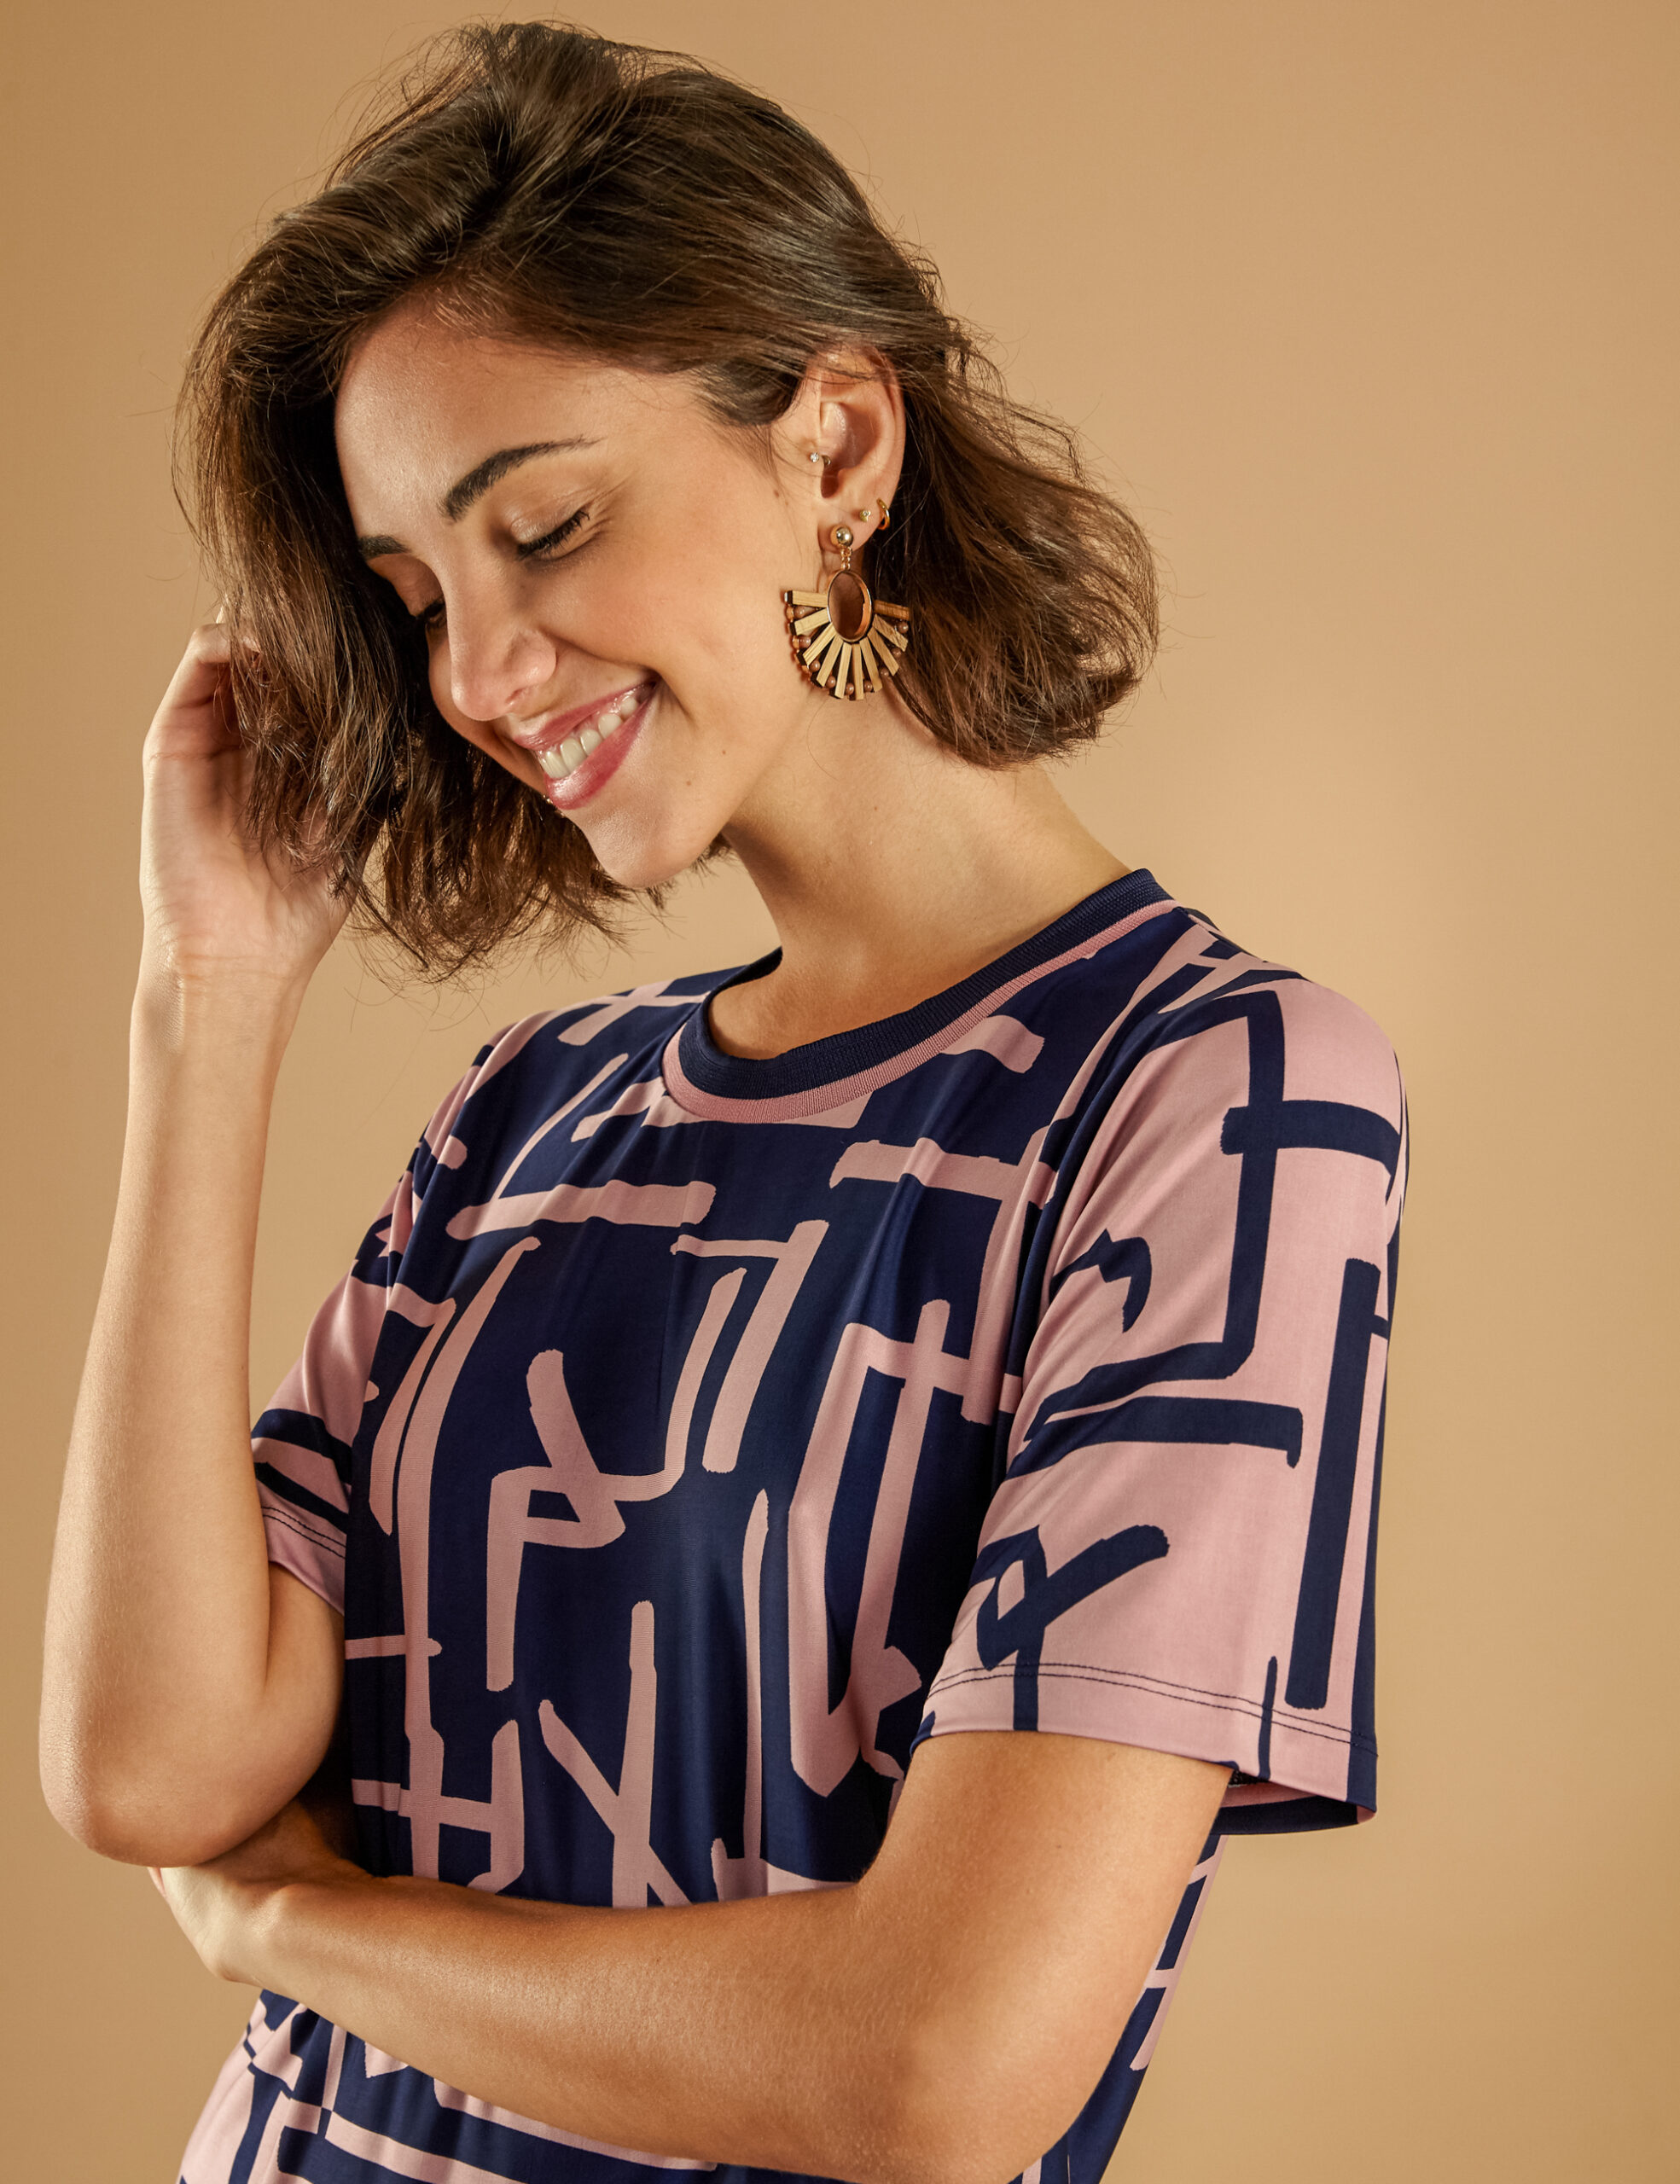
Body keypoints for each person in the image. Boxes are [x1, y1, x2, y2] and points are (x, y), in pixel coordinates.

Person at [39, 22, 1406, 2184]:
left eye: (545, 525)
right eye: (418, 598)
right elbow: (147, 1766)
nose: (475, 671)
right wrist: (203, 996)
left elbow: (934, 2068)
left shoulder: (1215, 1099)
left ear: (835, 442)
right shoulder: (533, 1108)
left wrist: (295, 1925)